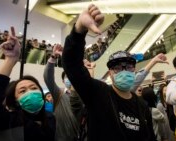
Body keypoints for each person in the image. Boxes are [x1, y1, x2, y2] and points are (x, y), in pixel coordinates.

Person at [62, 4, 155, 141]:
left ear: (134, 70)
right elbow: (72, 64)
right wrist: (80, 29)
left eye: (128, 66)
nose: (124, 70)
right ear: (110, 73)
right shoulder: (98, 93)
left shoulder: (142, 106)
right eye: (117, 67)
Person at [0, 27, 56, 141]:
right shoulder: (10, 121)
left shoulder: (50, 117)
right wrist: (10, 60)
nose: (31, 92)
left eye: (34, 88)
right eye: (22, 91)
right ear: (15, 100)